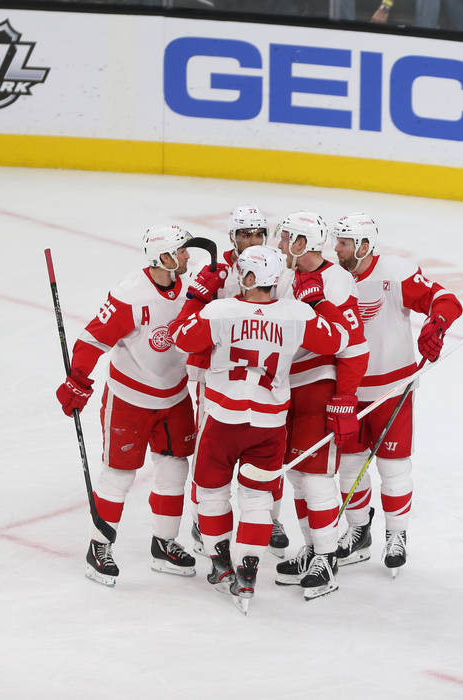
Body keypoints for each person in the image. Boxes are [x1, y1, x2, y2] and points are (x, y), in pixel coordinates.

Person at [171, 245, 354, 609]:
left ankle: (221, 564)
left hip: (224, 421)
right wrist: (318, 302)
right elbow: (341, 339)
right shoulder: (297, 313)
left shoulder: (219, 310)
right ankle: (249, 572)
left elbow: (180, 338)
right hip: (270, 426)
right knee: (257, 498)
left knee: (210, 493)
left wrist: (194, 297)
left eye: (244, 271)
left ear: (252, 277)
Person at [55, 224, 198, 586]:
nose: (187, 256)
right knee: (119, 475)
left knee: (175, 469)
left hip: (175, 395)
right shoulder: (131, 295)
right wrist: (79, 380)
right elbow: (91, 339)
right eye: (181, 251)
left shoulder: (192, 287)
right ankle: (99, 546)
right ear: (163, 257)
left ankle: (164, 544)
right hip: (130, 399)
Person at [331, 213, 462, 575]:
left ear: (363, 245)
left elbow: (447, 299)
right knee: (349, 468)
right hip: (348, 391)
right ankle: (358, 530)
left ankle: (397, 534)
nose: (336, 249)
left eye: (343, 243)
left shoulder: (395, 272)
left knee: (394, 468)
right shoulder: (333, 278)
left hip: (392, 390)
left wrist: (436, 324)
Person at [270, 212, 370, 599]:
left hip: (318, 384)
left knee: (315, 477)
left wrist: (344, 397)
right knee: (296, 474)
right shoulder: (286, 275)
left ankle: (326, 560)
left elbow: (354, 345)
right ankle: (313, 546)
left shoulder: (336, 280)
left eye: (287, 239)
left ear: (304, 243)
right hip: (287, 385)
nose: (280, 245)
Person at [187, 205, 294, 559]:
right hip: (218, 379)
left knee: (266, 457)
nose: (252, 240)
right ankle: (203, 519)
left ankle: (271, 519)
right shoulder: (215, 272)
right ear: (232, 236)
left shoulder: (276, 267)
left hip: (265, 379)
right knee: (209, 453)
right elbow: (189, 327)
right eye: (245, 233)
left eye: (258, 233)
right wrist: (199, 294)